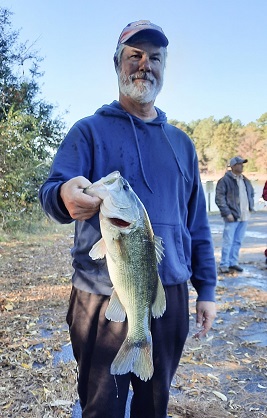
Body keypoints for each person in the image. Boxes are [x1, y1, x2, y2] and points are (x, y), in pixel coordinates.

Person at [39, 20, 217, 418]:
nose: (144, 65)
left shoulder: (182, 144)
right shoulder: (88, 132)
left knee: (155, 406)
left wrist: (206, 290)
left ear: (164, 67)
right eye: (134, 56)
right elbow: (52, 191)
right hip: (100, 293)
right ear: (117, 64)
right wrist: (63, 196)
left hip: (168, 293)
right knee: (101, 406)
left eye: (154, 58)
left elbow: (197, 226)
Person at [215, 156, 255, 274]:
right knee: (228, 241)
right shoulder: (224, 180)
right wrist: (227, 213)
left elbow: (251, 194)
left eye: (242, 164)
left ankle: (233, 262)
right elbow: (219, 198)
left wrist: (250, 207)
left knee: (238, 241)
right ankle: (224, 264)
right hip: (232, 216)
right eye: (239, 164)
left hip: (244, 216)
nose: (242, 166)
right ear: (232, 166)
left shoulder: (245, 180)